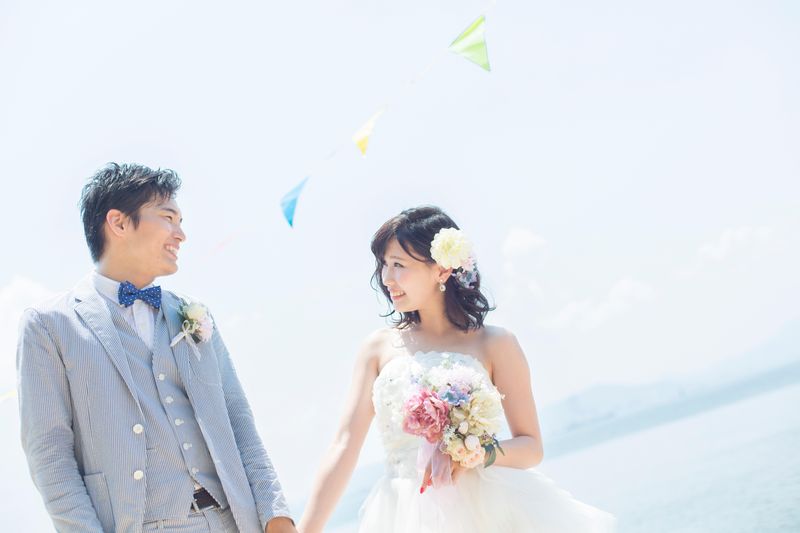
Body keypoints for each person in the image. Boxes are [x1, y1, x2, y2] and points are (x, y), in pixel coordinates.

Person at [299, 206, 616, 532]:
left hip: (486, 510)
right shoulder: (376, 349)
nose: (387, 278)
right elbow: (343, 445)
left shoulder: (496, 343)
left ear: (441, 270)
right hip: (402, 514)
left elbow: (531, 447)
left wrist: (475, 454)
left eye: (398, 265)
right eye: (384, 264)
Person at [17, 163, 296, 533]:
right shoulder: (49, 325)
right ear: (118, 223)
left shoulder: (192, 312)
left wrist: (277, 515)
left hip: (233, 520)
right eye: (168, 218)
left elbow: (239, 422)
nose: (181, 234)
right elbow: (50, 456)